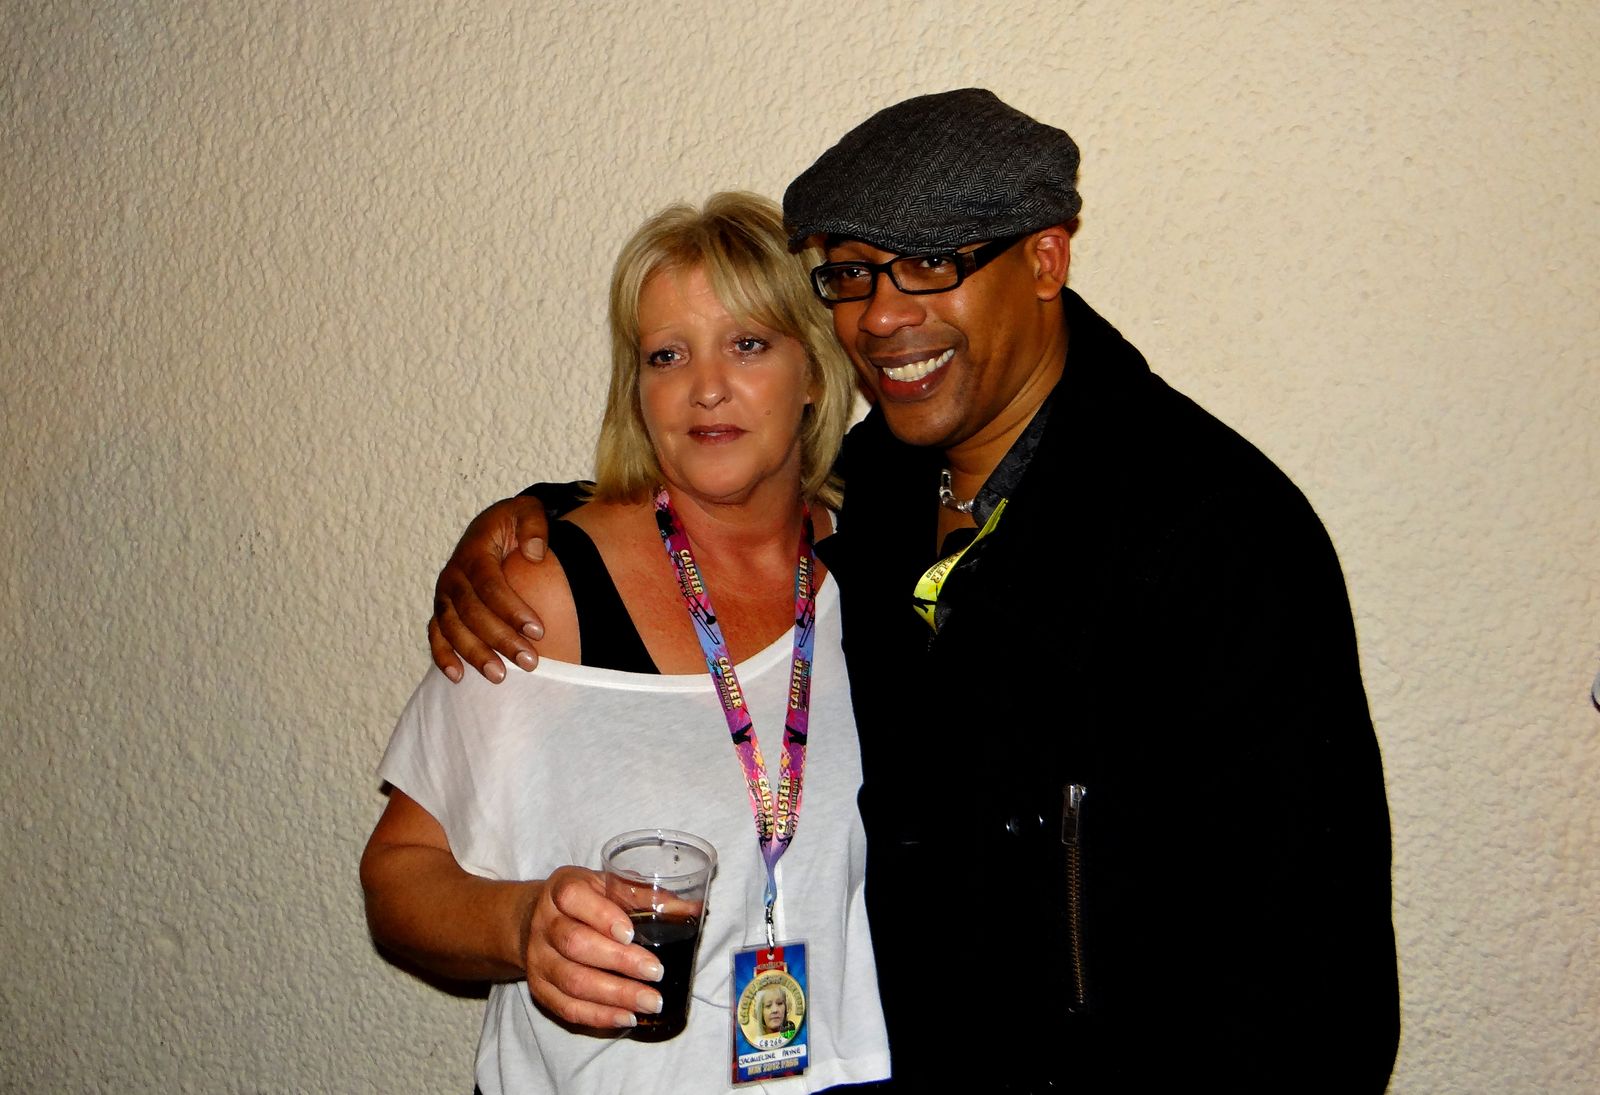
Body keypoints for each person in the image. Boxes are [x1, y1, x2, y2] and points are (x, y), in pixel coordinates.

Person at [427, 90, 1400, 1091]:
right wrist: (537, 516)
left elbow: (1317, 975)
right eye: (853, 273)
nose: (884, 316)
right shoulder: (882, 492)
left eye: (933, 263)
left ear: (1045, 261)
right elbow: (730, 487)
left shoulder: (1216, 535)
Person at [361, 192, 891, 1094]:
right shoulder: (545, 591)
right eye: (666, 355)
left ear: (813, 370)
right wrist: (522, 925)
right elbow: (399, 876)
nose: (706, 387)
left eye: (748, 343)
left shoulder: (881, 578)